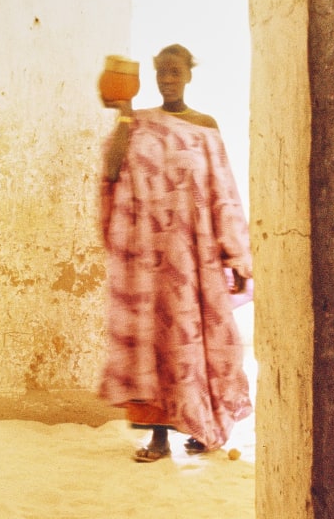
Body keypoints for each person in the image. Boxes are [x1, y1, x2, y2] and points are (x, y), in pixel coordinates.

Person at [100, 44, 252, 463]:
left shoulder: (205, 126)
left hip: (196, 256)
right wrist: (123, 115)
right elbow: (112, 171)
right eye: (161, 72)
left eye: (175, 71)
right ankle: (159, 439)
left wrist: (235, 256)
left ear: (188, 74)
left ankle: (203, 426)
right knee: (158, 345)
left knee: (202, 342)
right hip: (150, 258)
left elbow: (223, 191)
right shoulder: (140, 124)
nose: (167, 79)